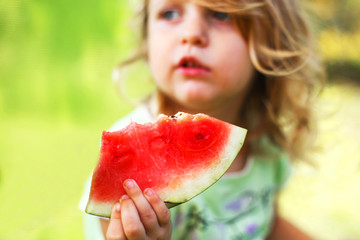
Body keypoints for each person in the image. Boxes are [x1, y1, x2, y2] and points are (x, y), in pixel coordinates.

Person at [79, 0, 325, 239]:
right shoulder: (129, 159)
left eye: (221, 13)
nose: (192, 33)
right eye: (169, 13)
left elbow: (264, 222)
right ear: (147, 38)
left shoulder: (268, 145)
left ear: (270, 41)